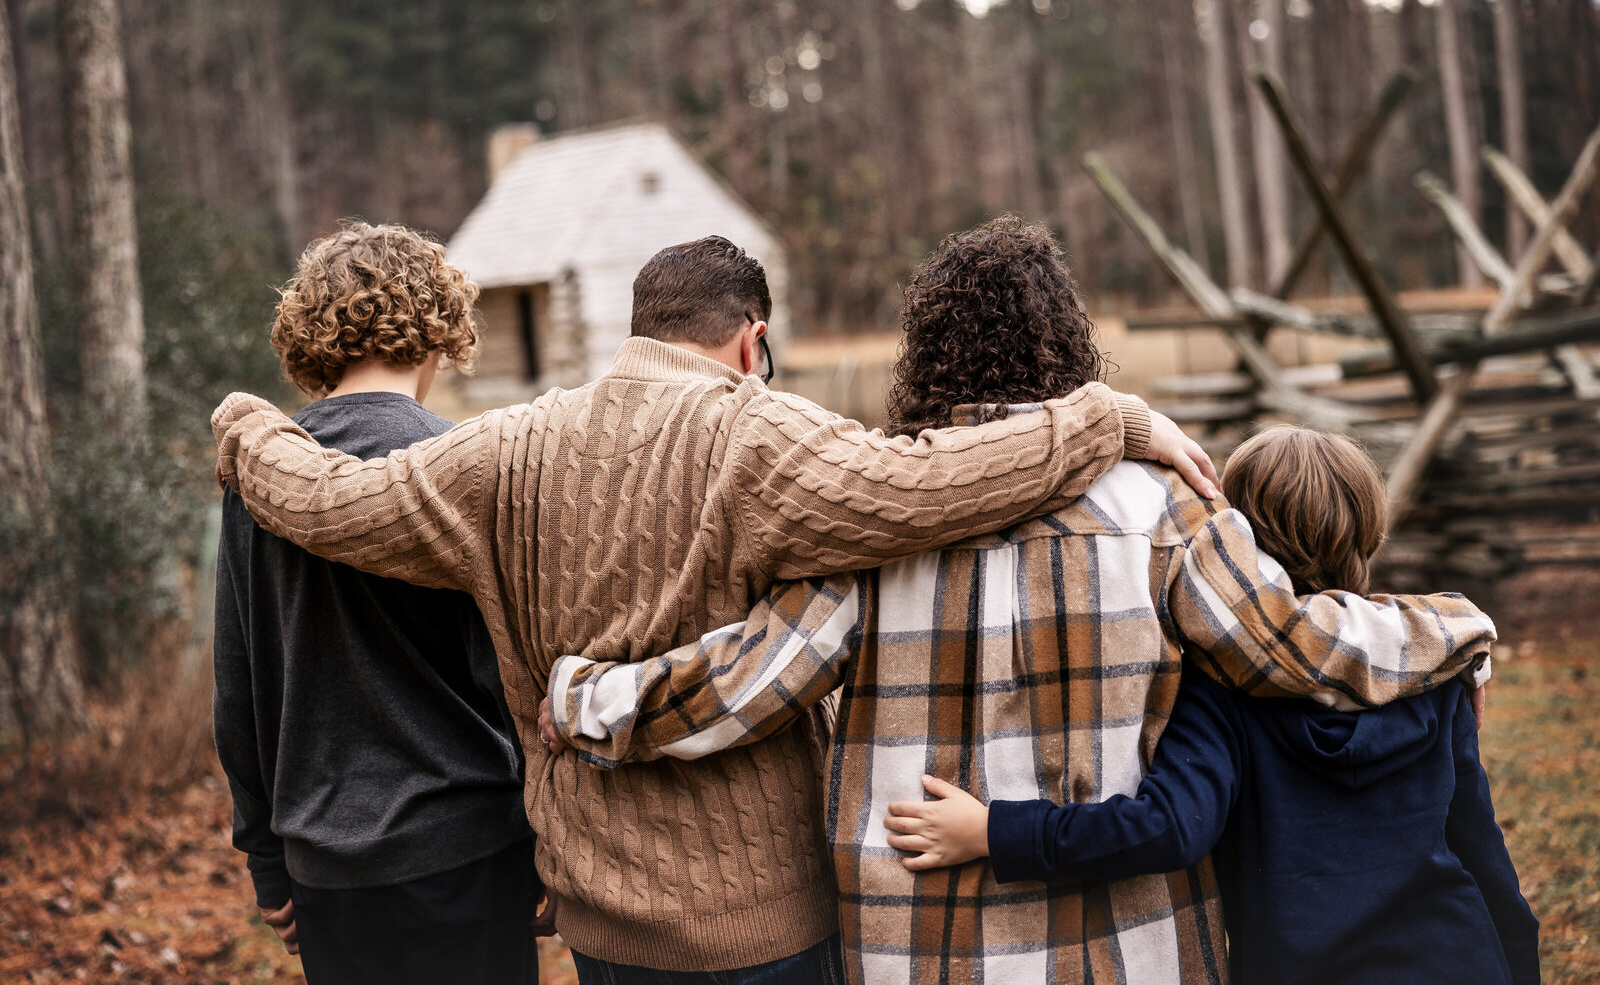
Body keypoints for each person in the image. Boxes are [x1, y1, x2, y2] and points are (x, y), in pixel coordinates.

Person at [211, 232, 1221, 983]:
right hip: (760, 923)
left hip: (600, 917)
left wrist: (246, 422)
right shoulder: (764, 435)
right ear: (752, 339)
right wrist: (1108, 415)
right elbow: (927, 481)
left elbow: (326, 501)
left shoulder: (507, 448)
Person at [537, 218, 1498, 985]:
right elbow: (1296, 646)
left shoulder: (876, 525)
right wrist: (1458, 627)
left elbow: (742, 686)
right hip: (1135, 948)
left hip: (918, 948)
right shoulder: (1164, 509)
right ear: (1069, 342)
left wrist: (586, 699)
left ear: (925, 355)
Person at [882, 425, 1539, 985]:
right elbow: (1485, 855)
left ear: (1235, 546)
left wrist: (994, 831)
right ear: (1369, 529)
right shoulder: (1427, 661)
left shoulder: (1222, 685)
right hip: (1459, 958)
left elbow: (1167, 826)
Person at [212, 222, 542, 984]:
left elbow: (239, 691)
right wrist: (549, 841)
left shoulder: (254, 476)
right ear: (439, 328)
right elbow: (513, 677)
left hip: (325, 861)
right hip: (469, 845)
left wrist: (268, 858)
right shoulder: (461, 464)